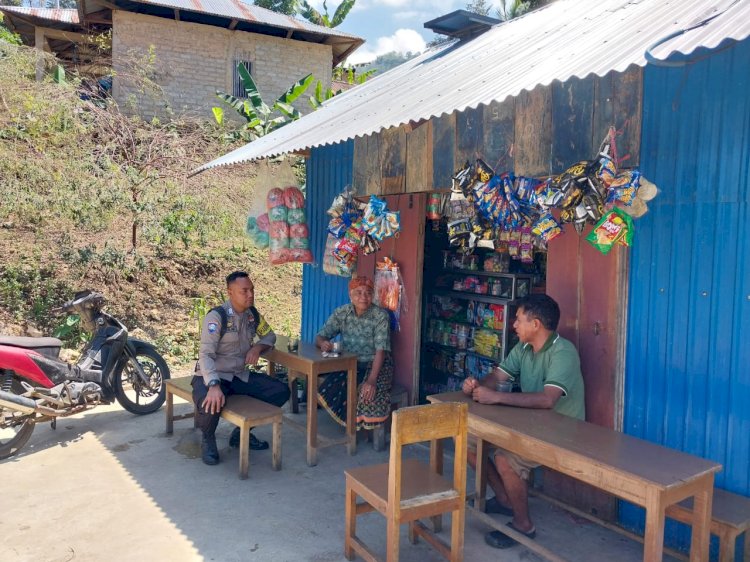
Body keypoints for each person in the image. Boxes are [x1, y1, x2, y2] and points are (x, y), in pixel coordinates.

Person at [461, 293, 585, 550]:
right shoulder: (524, 348)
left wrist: (494, 397)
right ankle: (506, 499)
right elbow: (497, 376)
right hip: (530, 424)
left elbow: (547, 400)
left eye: (518, 319)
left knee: (506, 458)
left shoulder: (564, 352)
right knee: (467, 441)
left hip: (564, 430)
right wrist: (476, 385)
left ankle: (523, 525)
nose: (514, 325)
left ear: (536, 324)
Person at [193, 271, 290, 466]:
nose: (250, 295)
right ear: (230, 292)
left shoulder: (252, 315)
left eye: (252, 290)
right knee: (210, 401)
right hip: (215, 375)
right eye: (244, 291)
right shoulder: (217, 317)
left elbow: (270, 336)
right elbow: (205, 355)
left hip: (239, 376)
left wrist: (257, 347)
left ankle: (239, 435)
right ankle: (208, 438)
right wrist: (212, 384)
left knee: (281, 391)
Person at [315, 276, 393, 431]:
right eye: (358, 293)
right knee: (330, 384)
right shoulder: (342, 313)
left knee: (367, 393)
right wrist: (323, 343)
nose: (363, 297)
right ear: (350, 295)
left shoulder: (380, 316)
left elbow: (380, 351)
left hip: (376, 364)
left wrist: (371, 380)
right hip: (350, 364)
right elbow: (320, 336)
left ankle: (358, 428)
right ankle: (349, 424)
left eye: (368, 293)